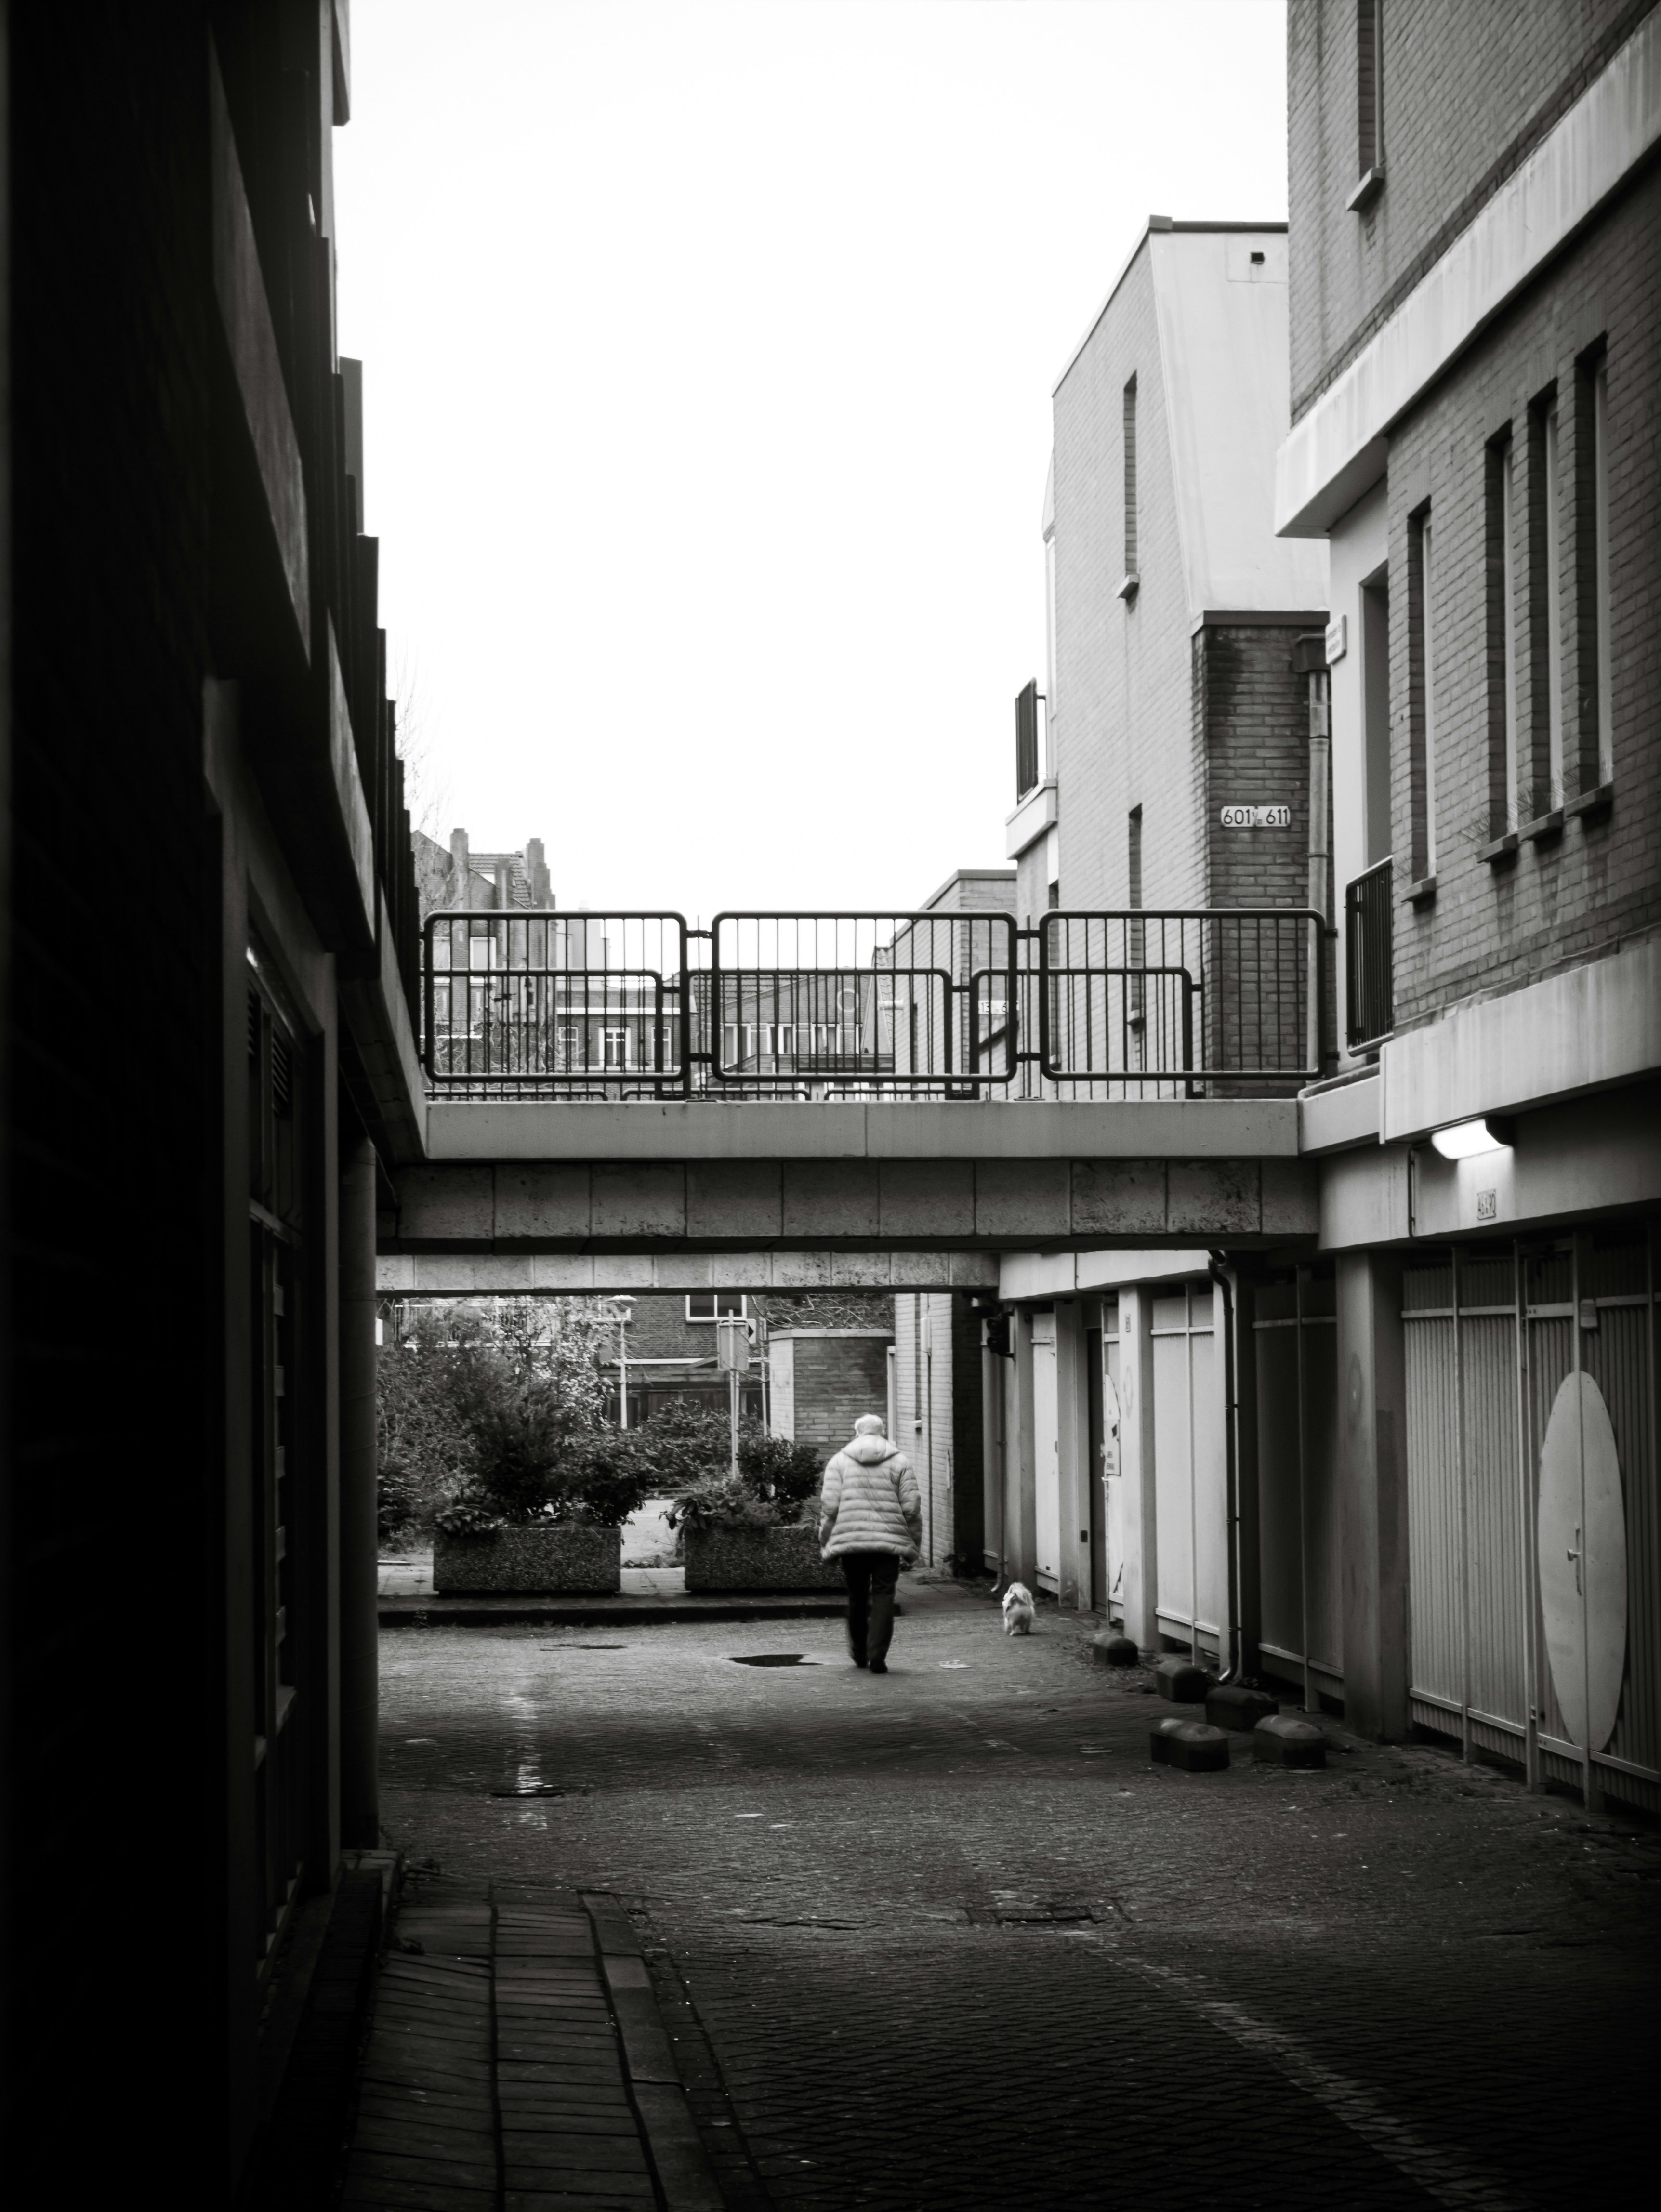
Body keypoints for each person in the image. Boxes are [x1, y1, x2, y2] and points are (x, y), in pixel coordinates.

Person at [818, 1414, 922, 1674]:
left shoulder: (838, 1462)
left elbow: (830, 1507)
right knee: (885, 1595)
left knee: (857, 1596)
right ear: (882, 1432)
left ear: (857, 1433)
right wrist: (914, 1543)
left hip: (852, 1542)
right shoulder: (900, 1461)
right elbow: (911, 1509)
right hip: (888, 1545)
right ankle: (878, 1656)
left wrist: (825, 1540)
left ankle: (860, 1653)